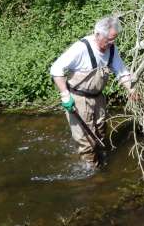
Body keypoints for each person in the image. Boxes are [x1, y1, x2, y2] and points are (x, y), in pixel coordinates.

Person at [49, 14, 136, 166]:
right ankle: (91, 174)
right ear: (97, 34)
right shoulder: (81, 48)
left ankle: (102, 163)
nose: (112, 42)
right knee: (87, 140)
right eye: (109, 39)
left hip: (98, 98)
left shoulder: (112, 49)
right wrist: (65, 95)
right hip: (78, 99)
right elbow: (56, 69)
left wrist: (131, 89)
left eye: (114, 38)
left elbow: (121, 71)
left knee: (101, 134)